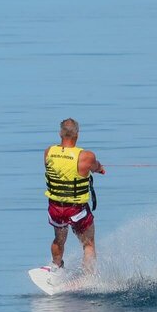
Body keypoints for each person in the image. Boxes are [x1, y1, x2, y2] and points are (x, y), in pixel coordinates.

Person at [44, 118, 105, 275]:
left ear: (60, 134)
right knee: (88, 243)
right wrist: (99, 168)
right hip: (76, 209)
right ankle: (89, 277)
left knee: (59, 239)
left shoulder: (49, 152)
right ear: (77, 135)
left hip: (55, 207)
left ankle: (56, 267)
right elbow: (95, 166)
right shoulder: (86, 156)